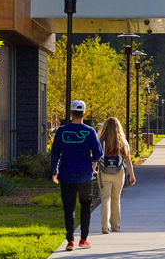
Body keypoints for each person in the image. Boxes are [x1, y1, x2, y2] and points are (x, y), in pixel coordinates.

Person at [51, 99, 103, 251]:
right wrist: (90, 162)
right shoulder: (90, 131)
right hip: (85, 176)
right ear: (84, 114)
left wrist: (55, 171)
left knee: (69, 208)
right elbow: (98, 153)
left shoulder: (62, 131)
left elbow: (55, 153)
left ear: (71, 113)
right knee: (85, 206)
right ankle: (84, 239)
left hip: (66, 175)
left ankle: (70, 241)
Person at [96, 117, 136, 234]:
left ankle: (105, 225)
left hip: (104, 173)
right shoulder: (123, 142)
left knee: (105, 199)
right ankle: (115, 225)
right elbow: (127, 159)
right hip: (119, 173)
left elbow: (95, 158)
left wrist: (93, 170)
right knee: (116, 199)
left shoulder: (100, 141)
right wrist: (131, 175)